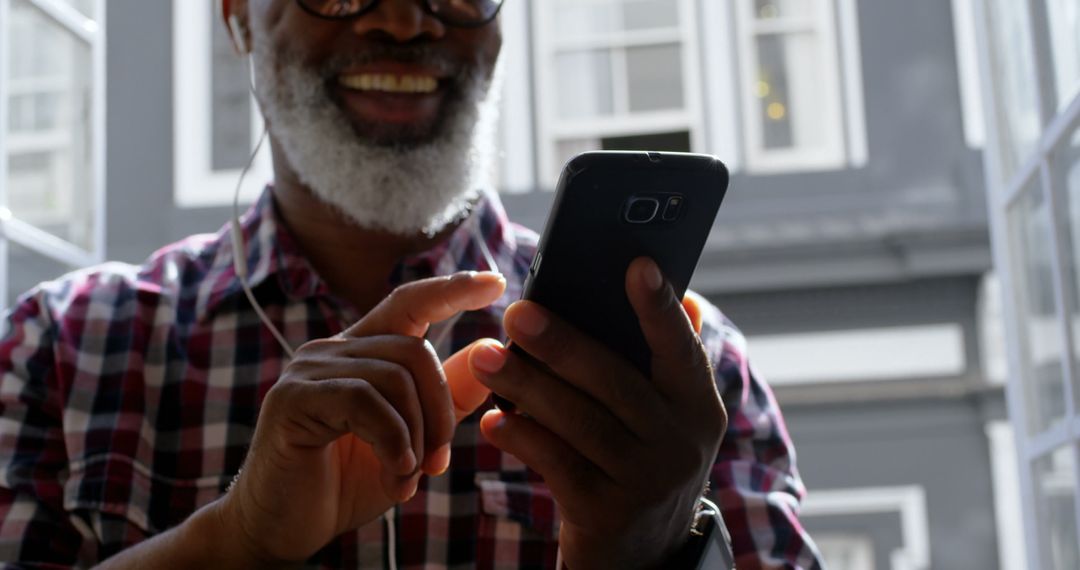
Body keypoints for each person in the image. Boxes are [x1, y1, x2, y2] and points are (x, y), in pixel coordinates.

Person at [0, 0, 823, 568]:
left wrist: (650, 554)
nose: (401, 17)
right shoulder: (65, 349)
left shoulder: (680, 366)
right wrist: (237, 540)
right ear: (237, 16)